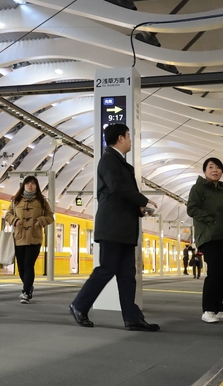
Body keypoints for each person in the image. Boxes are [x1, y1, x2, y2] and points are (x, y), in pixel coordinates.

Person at [68, 123, 160, 331]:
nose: (130, 139)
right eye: (128, 135)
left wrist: (138, 208)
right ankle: (79, 305)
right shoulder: (109, 159)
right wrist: (143, 200)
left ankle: (132, 317)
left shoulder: (117, 160)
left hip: (123, 228)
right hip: (113, 227)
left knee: (127, 274)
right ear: (120, 138)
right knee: (106, 269)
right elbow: (117, 187)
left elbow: (118, 192)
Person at [186, 158, 223, 323]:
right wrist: (210, 219)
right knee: (215, 272)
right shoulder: (198, 188)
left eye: (218, 167)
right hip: (209, 236)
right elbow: (191, 209)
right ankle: (208, 310)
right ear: (204, 171)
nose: (214, 170)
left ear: (222, 172)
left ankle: (218, 310)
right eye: (211, 167)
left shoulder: (222, 191)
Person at [4, 175, 54, 303]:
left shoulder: (42, 201)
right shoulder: (16, 201)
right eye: (27, 183)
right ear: (24, 185)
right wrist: (14, 220)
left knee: (28, 264)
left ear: (36, 186)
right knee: (21, 266)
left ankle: (25, 292)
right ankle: (28, 286)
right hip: (19, 238)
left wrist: (40, 221)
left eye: (32, 183)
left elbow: (50, 217)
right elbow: (8, 215)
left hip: (34, 238)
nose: (30, 185)